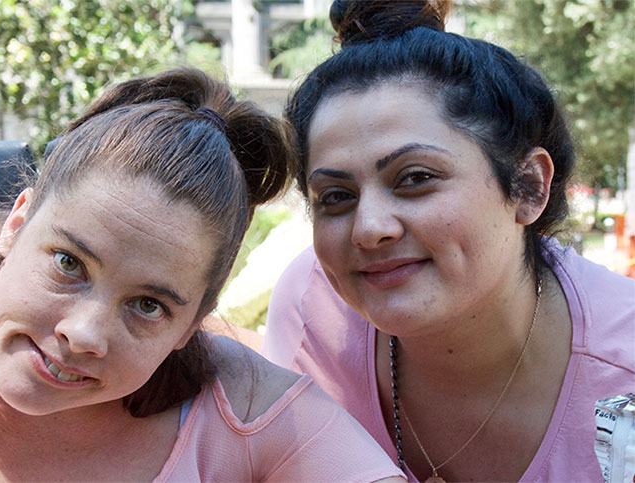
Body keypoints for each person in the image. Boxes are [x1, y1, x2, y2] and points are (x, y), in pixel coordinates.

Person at [0, 67, 406, 482]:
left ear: (191, 324)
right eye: (69, 264)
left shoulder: (242, 407)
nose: (84, 333)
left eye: (148, 305)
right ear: (17, 224)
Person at [261, 1, 635, 481]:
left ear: (528, 186)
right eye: (335, 196)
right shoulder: (311, 307)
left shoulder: (623, 363)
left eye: (415, 178)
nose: (369, 228)